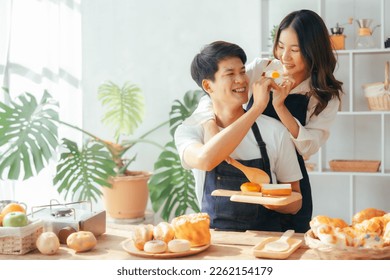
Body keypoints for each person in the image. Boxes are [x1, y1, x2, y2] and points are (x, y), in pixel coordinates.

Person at [186, 9, 344, 233]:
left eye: (295, 50)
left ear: (313, 50)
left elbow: (308, 147)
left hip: (288, 174)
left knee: (288, 239)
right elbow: (216, 93)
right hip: (245, 155)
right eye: (280, 46)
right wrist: (211, 127)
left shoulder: (324, 95)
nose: (284, 57)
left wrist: (280, 107)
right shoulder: (264, 68)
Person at [174, 40, 303, 232]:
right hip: (216, 243)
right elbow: (205, 159)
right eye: (230, 74)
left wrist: (273, 201)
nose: (241, 80)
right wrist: (257, 108)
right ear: (208, 86)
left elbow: (295, 203)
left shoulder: (275, 131)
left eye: (242, 71)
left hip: (266, 242)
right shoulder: (190, 131)